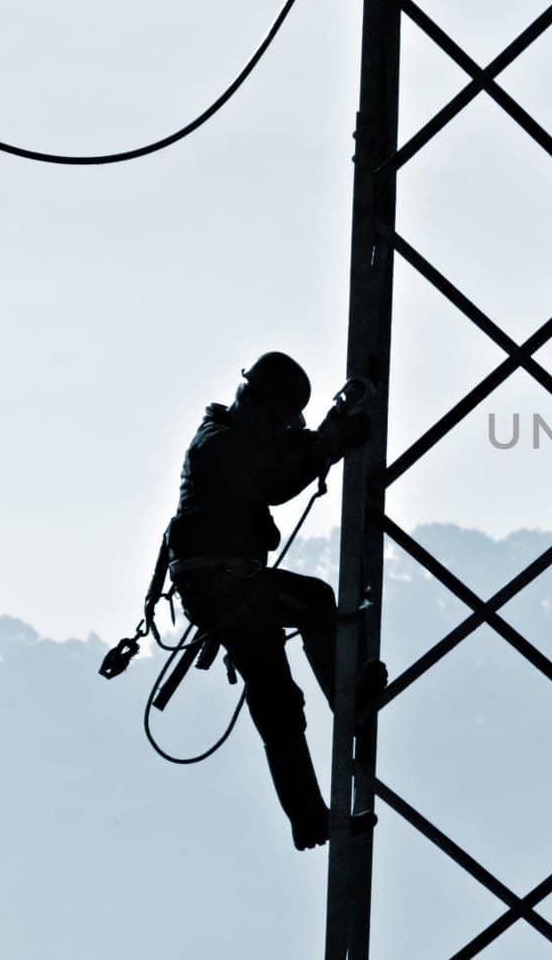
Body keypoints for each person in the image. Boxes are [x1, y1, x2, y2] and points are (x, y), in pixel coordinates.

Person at [165, 351, 373, 851]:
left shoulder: (230, 437)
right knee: (315, 607)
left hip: (229, 590)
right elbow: (276, 479)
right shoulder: (218, 446)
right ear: (263, 408)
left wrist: (328, 435)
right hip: (225, 590)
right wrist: (330, 442)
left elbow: (281, 455)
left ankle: (309, 818)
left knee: (277, 700)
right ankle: (349, 696)